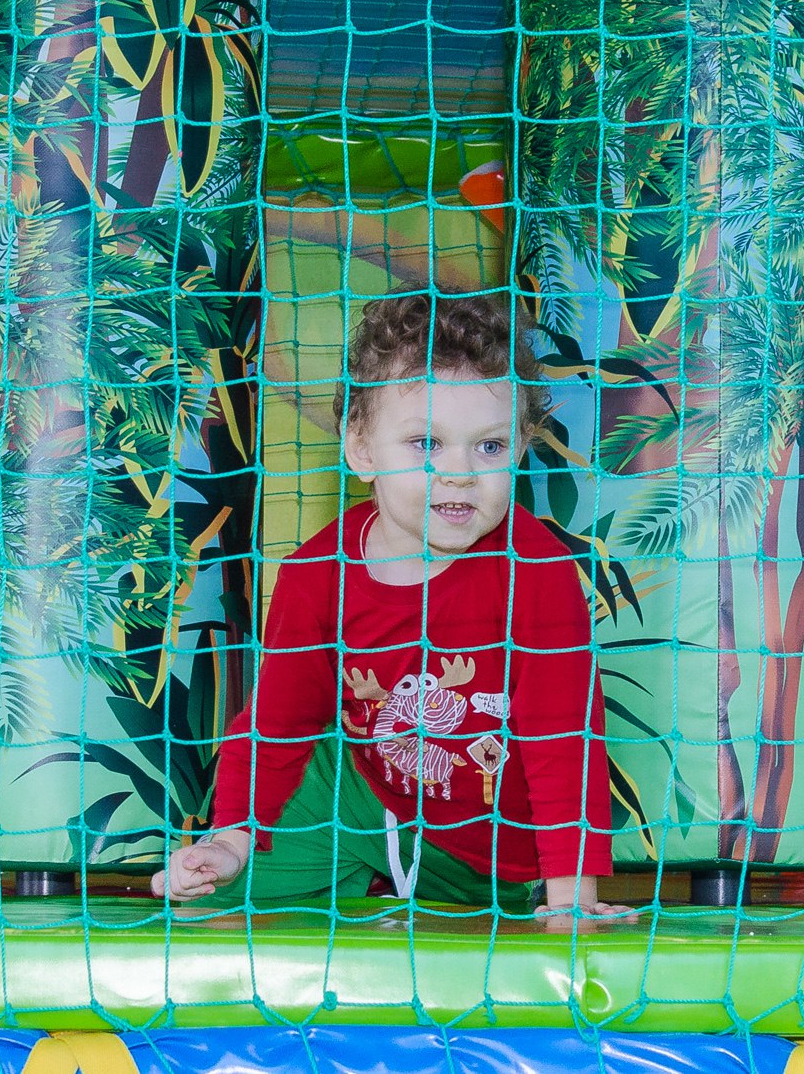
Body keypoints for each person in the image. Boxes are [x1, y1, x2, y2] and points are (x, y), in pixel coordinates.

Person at [151, 292, 628, 922]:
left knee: (493, 935)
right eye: (426, 442)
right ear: (362, 449)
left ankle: (403, 894)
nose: (459, 472)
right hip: (356, 793)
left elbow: (564, 743)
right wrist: (231, 839)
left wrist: (572, 901)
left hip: (483, 847)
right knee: (201, 909)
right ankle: (332, 876)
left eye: (488, 447)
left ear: (519, 447)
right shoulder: (317, 574)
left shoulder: (536, 571)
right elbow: (278, 725)